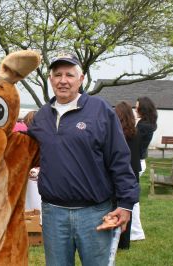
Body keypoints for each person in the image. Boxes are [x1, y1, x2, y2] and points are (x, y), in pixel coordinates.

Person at [28, 53, 139, 265]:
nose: (63, 80)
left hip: (94, 212)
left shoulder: (100, 110)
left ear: (81, 79)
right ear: (50, 79)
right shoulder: (41, 117)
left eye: (69, 74)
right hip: (53, 213)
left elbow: (119, 159)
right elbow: (24, 152)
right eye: (57, 75)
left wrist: (126, 204)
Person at [115, 101, 142, 249]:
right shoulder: (136, 132)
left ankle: (117, 239)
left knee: (117, 205)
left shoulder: (118, 133)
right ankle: (125, 242)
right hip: (134, 171)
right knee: (128, 207)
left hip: (122, 172)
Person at [131, 96, 157, 241]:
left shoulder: (143, 126)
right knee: (131, 197)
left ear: (143, 109)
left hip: (136, 163)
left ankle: (136, 232)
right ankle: (134, 231)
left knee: (132, 198)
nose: (135, 109)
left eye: (137, 107)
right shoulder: (146, 124)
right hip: (138, 162)